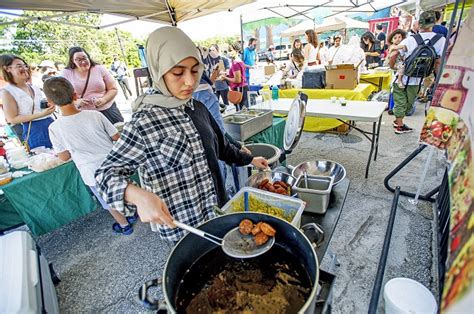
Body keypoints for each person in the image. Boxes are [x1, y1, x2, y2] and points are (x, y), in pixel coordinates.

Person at [95, 27, 268, 243]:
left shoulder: (197, 107)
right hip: (185, 229)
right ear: (158, 71)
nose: (189, 81)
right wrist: (136, 195)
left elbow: (222, 147)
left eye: (195, 71)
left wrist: (249, 159)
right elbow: (105, 176)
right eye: (178, 72)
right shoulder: (144, 122)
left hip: (217, 212)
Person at [43, 76, 137, 235]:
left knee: (108, 202)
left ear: (50, 102)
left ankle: (124, 225)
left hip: (91, 172)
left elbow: (64, 157)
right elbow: (116, 137)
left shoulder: (54, 128)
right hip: (114, 164)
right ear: (75, 95)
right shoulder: (95, 115)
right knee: (126, 189)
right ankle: (134, 212)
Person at [391, 11, 446, 134]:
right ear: (435, 22)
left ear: (419, 24)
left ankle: (398, 121)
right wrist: (438, 79)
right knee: (407, 103)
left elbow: (394, 53)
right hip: (418, 78)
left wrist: (393, 67)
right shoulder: (441, 40)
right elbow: (438, 62)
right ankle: (399, 125)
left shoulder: (410, 39)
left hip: (401, 76)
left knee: (403, 103)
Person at [0, 54, 55, 149]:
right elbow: (12, 119)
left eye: (25, 65)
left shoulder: (34, 87)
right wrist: (41, 115)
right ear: (7, 69)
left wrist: (48, 105)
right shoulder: (8, 91)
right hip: (34, 130)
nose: (24, 68)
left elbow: (39, 107)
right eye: (19, 66)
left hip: (51, 124)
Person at [61, 47, 124, 124]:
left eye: (85, 58)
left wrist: (104, 99)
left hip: (108, 110)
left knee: (119, 132)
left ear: (88, 57)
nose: (83, 62)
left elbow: (113, 89)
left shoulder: (99, 68)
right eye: (78, 60)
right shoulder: (66, 72)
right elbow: (62, 96)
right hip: (85, 115)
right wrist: (76, 102)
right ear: (72, 61)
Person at [221, 42, 249, 111]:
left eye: (231, 50)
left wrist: (225, 78)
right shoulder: (239, 61)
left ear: (236, 51)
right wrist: (227, 75)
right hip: (243, 87)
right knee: (244, 109)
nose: (229, 52)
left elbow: (237, 80)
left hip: (239, 88)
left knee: (240, 110)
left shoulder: (235, 63)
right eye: (229, 51)